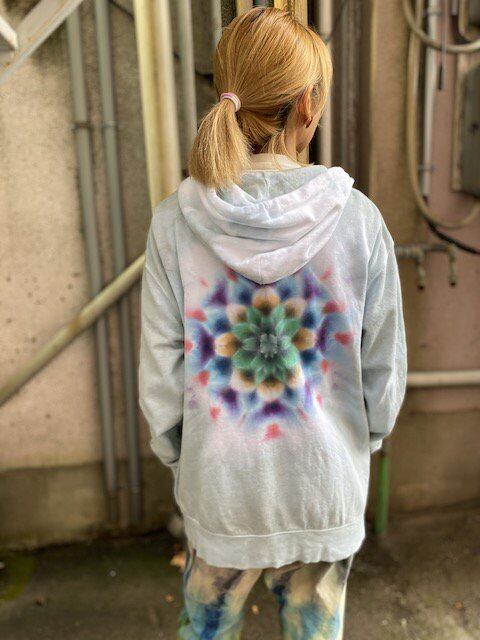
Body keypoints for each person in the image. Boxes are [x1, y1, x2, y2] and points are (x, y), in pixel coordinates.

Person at [139, 7, 407, 639]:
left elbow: (161, 372)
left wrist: (182, 458)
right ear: (308, 103)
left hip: (220, 489)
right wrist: (357, 443)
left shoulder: (175, 223)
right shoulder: (359, 221)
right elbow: (384, 371)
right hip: (325, 484)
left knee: (206, 629)